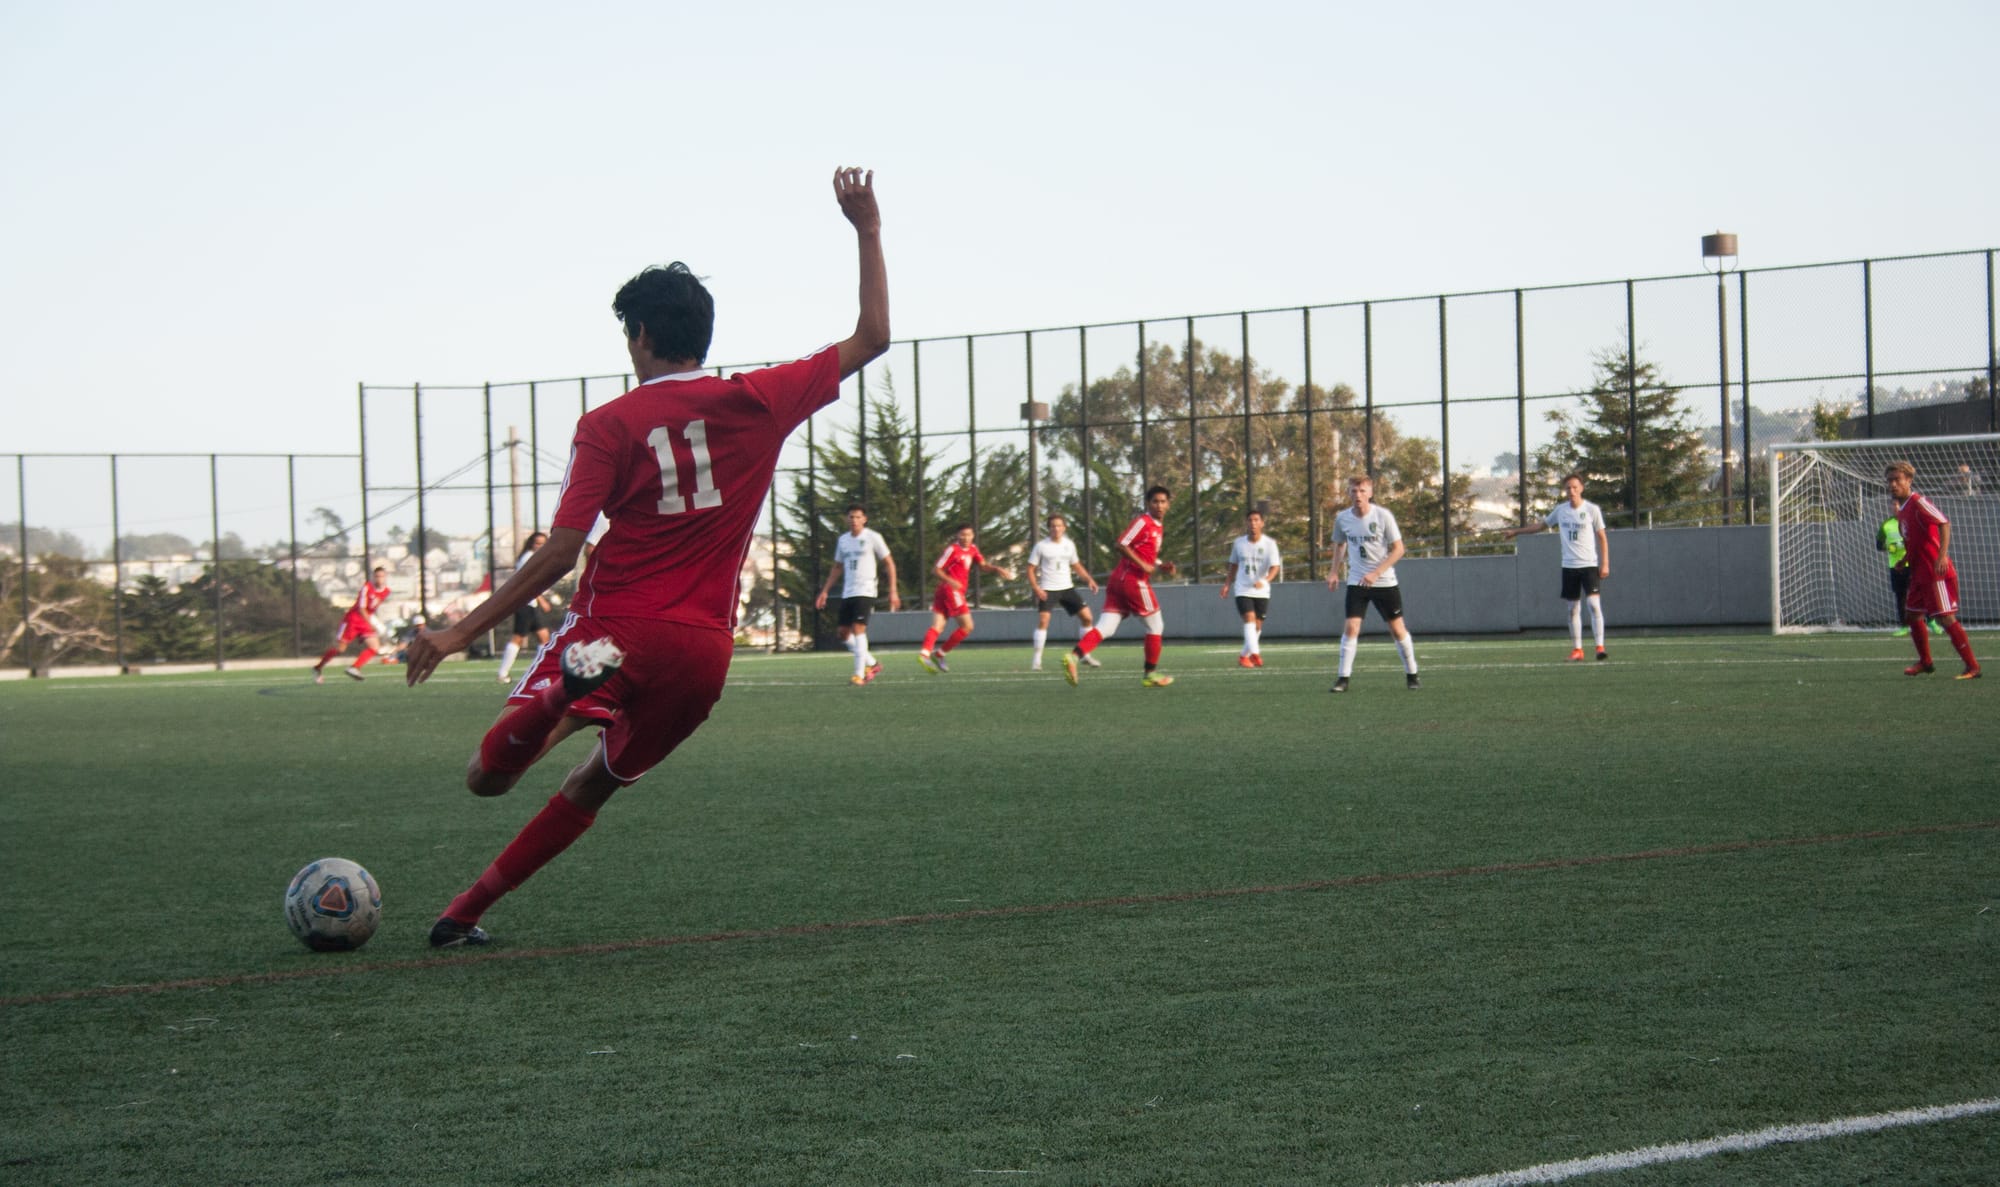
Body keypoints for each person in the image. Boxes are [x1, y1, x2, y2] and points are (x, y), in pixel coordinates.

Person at [402, 166, 889, 947]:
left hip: (612, 629)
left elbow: (561, 549)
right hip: (701, 652)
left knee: (486, 777)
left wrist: (460, 632)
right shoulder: (759, 400)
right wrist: (866, 227)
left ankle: (567, 695)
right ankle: (465, 912)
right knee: (593, 785)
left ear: (638, 337)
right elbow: (873, 337)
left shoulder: (609, 423)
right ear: (704, 335)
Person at [1062, 485, 1177, 688]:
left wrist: (1160, 565)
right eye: (1155, 501)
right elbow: (1121, 544)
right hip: (1132, 580)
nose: (1159, 505)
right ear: (1148, 504)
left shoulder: (1158, 527)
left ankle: (1074, 656)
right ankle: (1150, 673)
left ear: (1168, 504)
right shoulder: (1143, 522)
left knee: (1107, 627)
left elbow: (1145, 553)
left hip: (1120, 581)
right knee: (1156, 626)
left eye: (1162, 501)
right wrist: (1142, 565)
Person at [1885, 461, 1981, 679]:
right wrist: (1905, 560)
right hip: (1919, 575)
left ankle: (1972, 666)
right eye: (1890, 480)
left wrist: (1941, 556)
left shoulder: (1918, 502)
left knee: (1946, 618)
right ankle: (1926, 662)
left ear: (1909, 481)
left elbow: (1944, 523)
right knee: (1912, 615)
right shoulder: (1903, 511)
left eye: (1898, 480)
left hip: (1934, 573)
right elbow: (1915, 542)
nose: (1893, 484)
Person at [1502, 473, 1609, 661]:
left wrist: (1605, 563)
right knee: (1572, 608)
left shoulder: (1592, 510)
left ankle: (1600, 646)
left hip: (1589, 565)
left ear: (1581, 488)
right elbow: (1541, 526)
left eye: (1575, 487)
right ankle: (1578, 650)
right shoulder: (1561, 511)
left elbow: (1602, 537)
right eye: (1568, 488)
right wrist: (1516, 531)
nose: (1572, 491)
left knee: (1593, 605)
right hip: (1569, 566)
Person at [1327, 476, 1420, 692]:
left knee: (1397, 629)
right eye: (1353, 491)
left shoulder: (1383, 516)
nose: (1357, 495)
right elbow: (1340, 544)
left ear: (1370, 493)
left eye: (1361, 491)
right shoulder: (1342, 519)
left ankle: (1412, 674)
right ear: (1348, 493)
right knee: (1351, 627)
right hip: (1357, 581)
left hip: (1384, 582)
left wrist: (1376, 573)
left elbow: (1399, 549)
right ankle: (1343, 679)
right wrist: (1333, 572)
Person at [814, 504, 899, 685]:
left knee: (858, 629)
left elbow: (889, 563)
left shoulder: (873, 537)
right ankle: (873, 663)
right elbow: (837, 567)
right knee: (843, 634)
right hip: (848, 591)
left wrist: (893, 590)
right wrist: (825, 592)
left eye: (857, 517)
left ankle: (859, 675)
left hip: (866, 590)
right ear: (846, 519)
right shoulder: (843, 540)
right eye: (851, 517)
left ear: (864, 519)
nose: (854, 520)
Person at [917, 525, 1013, 673]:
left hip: (944, 592)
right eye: (962, 535)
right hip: (951, 591)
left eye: (968, 535)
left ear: (973, 535)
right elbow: (936, 569)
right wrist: (951, 581)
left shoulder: (973, 549)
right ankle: (939, 654)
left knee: (938, 626)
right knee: (967, 626)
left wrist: (996, 569)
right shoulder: (952, 549)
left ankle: (925, 654)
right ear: (957, 536)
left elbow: (982, 565)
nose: (966, 538)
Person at [1026, 512, 1099, 671]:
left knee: (1087, 617)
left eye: (1059, 525)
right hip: (1048, 589)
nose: (1056, 529)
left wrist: (1089, 580)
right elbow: (1030, 569)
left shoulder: (1069, 544)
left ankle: (1085, 654)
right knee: (1044, 621)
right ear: (1048, 529)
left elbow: (1076, 565)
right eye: (1053, 526)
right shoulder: (1041, 546)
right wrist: (1037, 588)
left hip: (1067, 588)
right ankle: (1036, 661)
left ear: (1064, 528)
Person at [1221, 509, 1282, 668]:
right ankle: (1255, 654)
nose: (1253, 523)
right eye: (1250, 520)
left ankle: (1243, 656)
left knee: (1258, 626)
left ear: (1262, 523)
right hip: (1243, 588)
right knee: (1249, 619)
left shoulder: (1270, 544)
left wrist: (1265, 580)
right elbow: (1233, 565)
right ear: (1246, 523)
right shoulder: (1239, 543)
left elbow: (1275, 567)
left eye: (1256, 520)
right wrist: (1227, 584)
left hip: (1262, 590)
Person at [311, 565, 390, 683]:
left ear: (385, 577)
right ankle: (317, 668)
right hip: (352, 620)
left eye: (382, 576)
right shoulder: (367, 588)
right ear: (373, 577)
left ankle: (354, 668)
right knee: (340, 649)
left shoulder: (386, 591)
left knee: (374, 647)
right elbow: (361, 609)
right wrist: (372, 623)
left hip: (365, 621)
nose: (379, 579)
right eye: (377, 576)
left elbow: (371, 609)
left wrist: (373, 623)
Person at [495, 531, 556, 683]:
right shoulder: (527, 558)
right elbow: (529, 583)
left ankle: (540, 672)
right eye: (537, 543)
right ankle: (503, 673)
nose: (540, 546)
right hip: (525, 603)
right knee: (518, 638)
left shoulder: (535, 557)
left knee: (544, 637)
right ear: (531, 544)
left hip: (531, 604)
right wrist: (542, 600)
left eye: (543, 544)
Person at [1876, 509, 1942, 639]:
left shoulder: (1910, 521)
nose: (1896, 508)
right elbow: (1879, 545)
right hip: (1896, 567)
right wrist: (1889, 548)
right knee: (1901, 597)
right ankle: (1904, 626)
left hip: (1914, 564)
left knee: (1923, 593)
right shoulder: (1886, 524)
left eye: (1898, 505)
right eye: (1893, 505)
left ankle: (1931, 622)